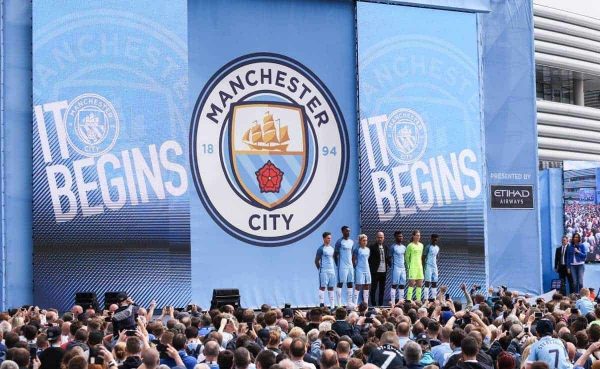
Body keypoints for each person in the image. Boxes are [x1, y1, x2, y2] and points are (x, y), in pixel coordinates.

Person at [334, 226, 355, 307]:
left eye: (349, 231)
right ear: (342, 231)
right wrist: (338, 264)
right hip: (342, 266)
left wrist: (352, 264)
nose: (348, 233)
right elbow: (335, 254)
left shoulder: (351, 242)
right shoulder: (339, 242)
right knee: (340, 283)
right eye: (346, 231)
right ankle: (339, 304)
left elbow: (352, 253)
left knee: (350, 283)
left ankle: (349, 303)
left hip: (350, 266)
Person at [315, 232, 337, 309]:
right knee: (322, 287)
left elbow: (333, 259)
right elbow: (316, 261)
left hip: (332, 271)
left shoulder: (332, 248)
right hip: (324, 271)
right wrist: (321, 270)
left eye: (330, 238)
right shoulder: (321, 249)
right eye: (328, 238)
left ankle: (332, 306)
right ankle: (321, 305)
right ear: (324, 238)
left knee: (331, 288)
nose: (329, 239)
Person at [368, 231, 388, 306]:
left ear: (383, 238)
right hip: (375, 271)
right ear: (376, 238)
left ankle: (380, 304)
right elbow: (369, 259)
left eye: (381, 237)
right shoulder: (372, 247)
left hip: (383, 271)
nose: (380, 239)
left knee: (382, 289)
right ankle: (373, 304)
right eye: (379, 237)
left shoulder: (385, 247)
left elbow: (386, 258)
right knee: (373, 289)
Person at [406, 230, 425, 302]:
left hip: (419, 267)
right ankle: (408, 300)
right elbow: (407, 257)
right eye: (417, 235)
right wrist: (409, 267)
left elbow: (420, 257)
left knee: (420, 284)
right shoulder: (410, 245)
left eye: (419, 235)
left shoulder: (421, 245)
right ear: (413, 236)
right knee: (411, 284)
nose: (418, 237)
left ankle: (418, 300)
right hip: (412, 267)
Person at [353, 234, 371, 307]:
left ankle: (365, 304)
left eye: (366, 240)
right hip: (359, 269)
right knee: (358, 286)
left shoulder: (368, 249)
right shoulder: (357, 249)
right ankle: (354, 304)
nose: (365, 242)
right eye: (363, 240)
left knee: (366, 285)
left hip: (367, 269)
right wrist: (356, 268)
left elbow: (367, 259)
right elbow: (353, 260)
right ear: (360, 241)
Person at [390, 231, 407, 306]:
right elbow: (389, 257)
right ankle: (393, 303)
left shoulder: (404, 247)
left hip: (402, 268)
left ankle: (401, 302)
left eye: (401, 236)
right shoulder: (393, 247)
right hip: (395, 268)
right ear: (395, 237)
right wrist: (391, 266)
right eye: (399, 236)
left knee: (402, 285)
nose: (401, 238)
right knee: (394, 285)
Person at [423, 234, 440, 300]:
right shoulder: (428, 247)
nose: (435, 239)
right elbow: (423, 257)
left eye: (436, 238)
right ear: (431, 238)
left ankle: (434, 298)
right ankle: (426, 299)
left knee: (434, 282)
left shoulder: (437, 248)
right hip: (428, 266)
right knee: (427, 282)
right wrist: (424, 266)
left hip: (434, 267)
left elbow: (437, 257)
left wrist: (435, 264)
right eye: (434, 238)